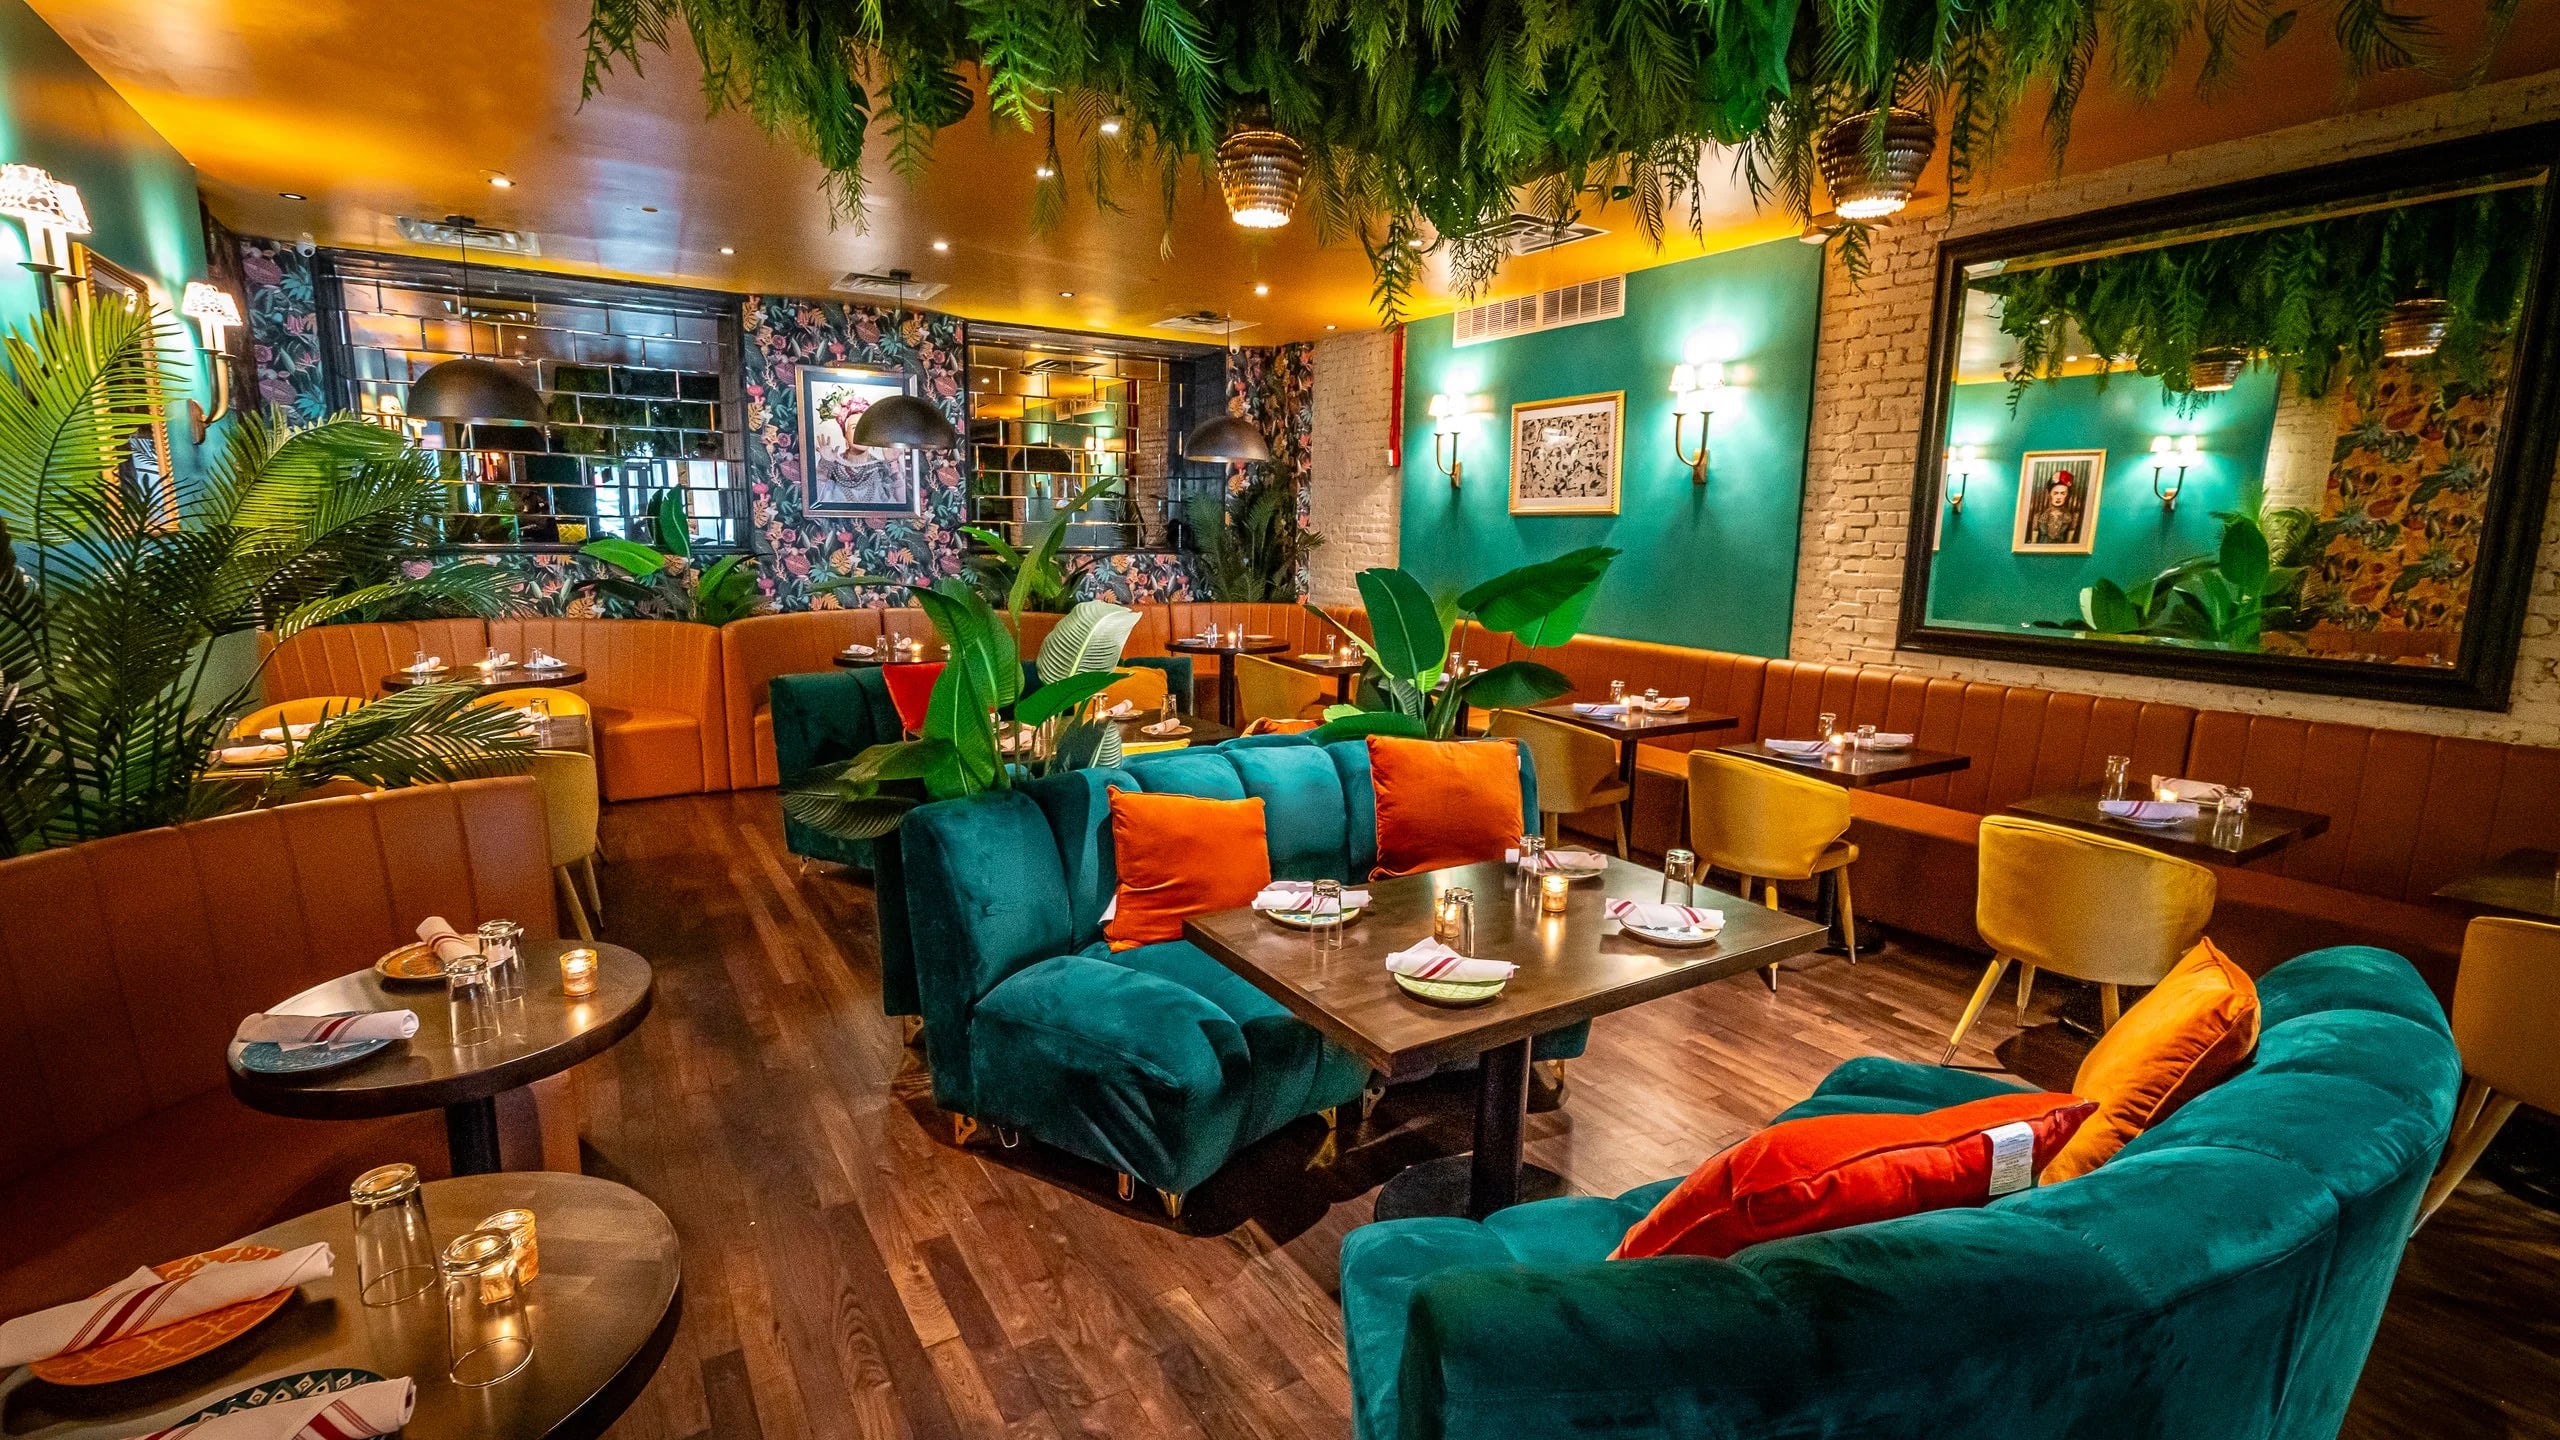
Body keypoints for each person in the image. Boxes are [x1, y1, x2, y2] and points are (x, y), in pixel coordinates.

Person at [2029, 468, 2081, 545]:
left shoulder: (2072, 517)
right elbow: (2033, 543)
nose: (2058, 497)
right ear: (2049, 493)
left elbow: (2069, 543)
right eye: (2056, 493)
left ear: (2067, 495)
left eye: (2062, 493)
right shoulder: (2039, 515)